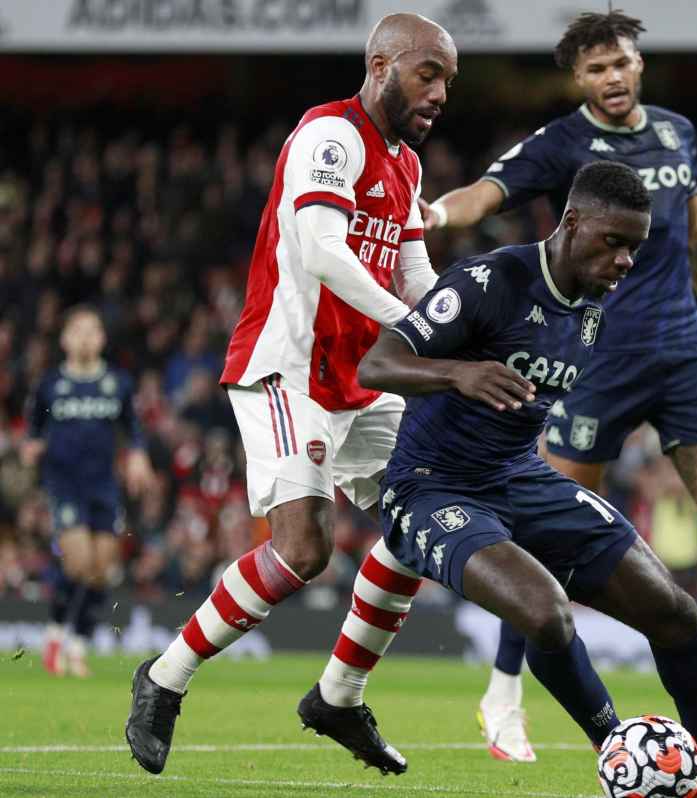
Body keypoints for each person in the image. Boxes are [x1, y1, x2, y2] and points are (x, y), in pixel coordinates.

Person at [300, 161, 697, 798]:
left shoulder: (591, 316)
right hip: (430, 487)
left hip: (517, 477)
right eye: (612, 242)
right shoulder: (489, 281)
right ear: (571, 222)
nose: (623, 261)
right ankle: (621, 752)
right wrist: (459, 373)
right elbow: (379, 363)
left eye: (634, 249)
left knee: (674, 612)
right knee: (546, 614)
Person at [417, 9, 697, 763]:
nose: (613, 77)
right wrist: (437, 212)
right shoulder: (562, 144)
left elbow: (696, 229)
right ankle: (502, 697)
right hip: (594, 358)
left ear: (640, 65)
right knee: (542, 538)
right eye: (597, 68)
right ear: (579, 78)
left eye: (623, 63)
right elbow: (489, 190)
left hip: (683, 351)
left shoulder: (676, 132)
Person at [124, 12, 457, 775]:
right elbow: (319, 250)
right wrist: (415, 325)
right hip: (288, 368)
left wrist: (459, 325)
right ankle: (164, 677)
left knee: (428, 513)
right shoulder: (328, 137)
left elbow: (415, 273)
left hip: (361, 380)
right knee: (303, 549)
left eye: (448, 80)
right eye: (427, 72)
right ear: (380, 65)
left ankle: (339, 694)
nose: (440, 92)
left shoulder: (405, 164)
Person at [23, 306, 153, 678]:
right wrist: (32, 448)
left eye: (91, 330)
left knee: (101, 569)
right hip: (64, 485)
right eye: (76, 330)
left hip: (104, 485)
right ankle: (53, 637)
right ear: (64, 339)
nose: (83, 337)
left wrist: (139, 456)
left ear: (101, 339)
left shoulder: (118, 383)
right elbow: (33, 428)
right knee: (78, 562)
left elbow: (133, 428)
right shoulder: (50, 384)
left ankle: (75, 646)